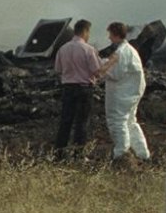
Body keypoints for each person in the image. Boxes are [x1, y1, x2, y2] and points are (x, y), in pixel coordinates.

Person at [94, 21, 150, 164]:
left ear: (115, 34)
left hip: (122, 94)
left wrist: (100, 66)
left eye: (110, 34)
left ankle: (122, 155)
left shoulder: (121, 53)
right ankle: (142, 154)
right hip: (132, 92)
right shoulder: (130, 50)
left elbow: (116, 73)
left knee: (117, 122)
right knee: (131, 122)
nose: (109, 38)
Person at [53, 19, 102, 154]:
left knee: (65, 121)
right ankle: (78, 154)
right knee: (81, 122)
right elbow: (97, 71)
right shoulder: (89, 50)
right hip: (84, 88)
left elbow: (58, 69)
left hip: (68, 88)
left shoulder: (62, 49)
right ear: (85, 31)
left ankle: (59, 153)